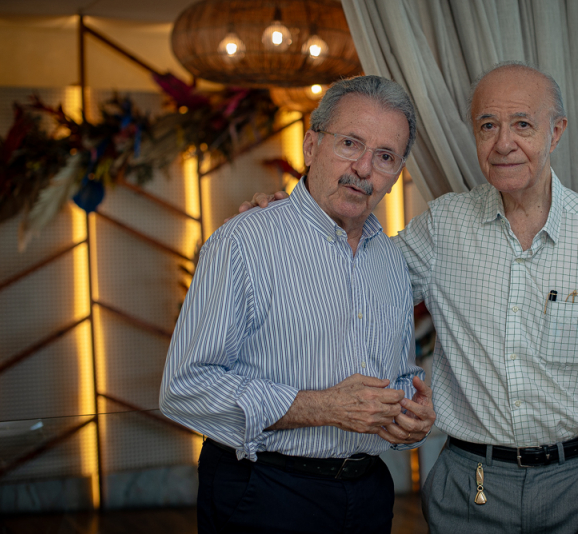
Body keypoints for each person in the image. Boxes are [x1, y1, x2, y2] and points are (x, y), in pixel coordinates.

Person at [245, 63, 578, 534]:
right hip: (470, 489)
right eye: (488, 126)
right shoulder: (445, 226)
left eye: (522, 125)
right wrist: (289, 219)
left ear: (556, 132)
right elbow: (355, 276)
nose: (503, 143)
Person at [160, 75, 436, 534]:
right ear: (311, 146)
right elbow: (185, 388)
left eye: (385, 156)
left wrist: (412, 412)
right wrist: (321, 407)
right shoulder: (244, 243)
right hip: (266, 492)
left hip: (368, 493)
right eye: (350, 143)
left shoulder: (390, 259)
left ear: (397, 172)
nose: (364, 168)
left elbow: (394, 376)